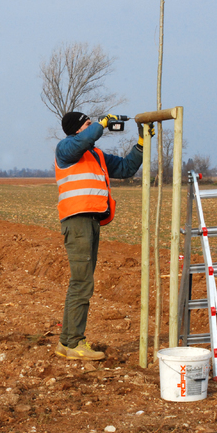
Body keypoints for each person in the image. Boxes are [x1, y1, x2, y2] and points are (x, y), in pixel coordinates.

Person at [54, 112, 153, 360]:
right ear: (77, 129)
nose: (94, 128)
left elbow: (126, 167)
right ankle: (75, 343)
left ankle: (67, 342)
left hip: (91, 221)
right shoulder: (66, 147)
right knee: (82, 283)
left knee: (80, 282)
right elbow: (80, 142)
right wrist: (101, 124)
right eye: (88, 124)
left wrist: (141, 143)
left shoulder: (96, 155)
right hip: (77, 221)